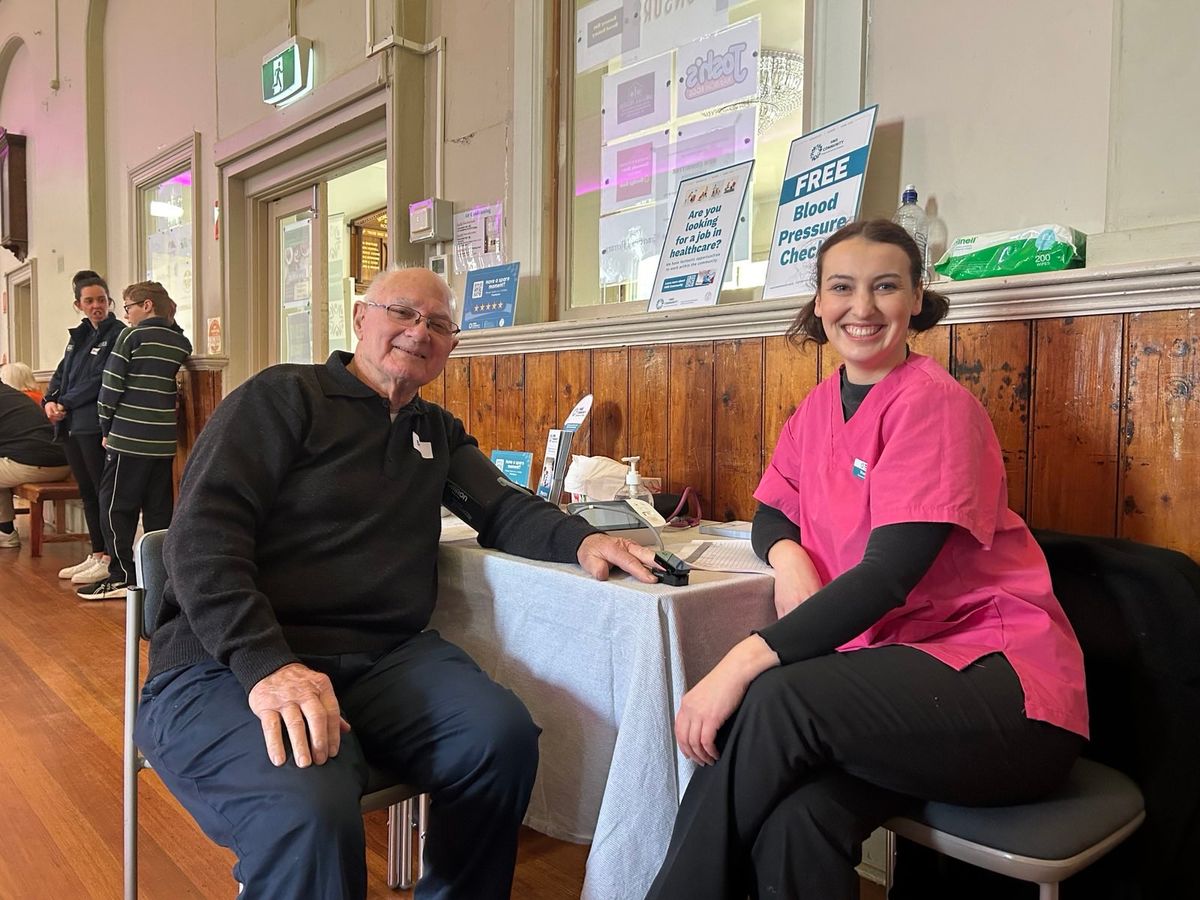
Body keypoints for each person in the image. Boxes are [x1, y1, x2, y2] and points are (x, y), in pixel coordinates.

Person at [135, 266, 660, 900]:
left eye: (438, 324)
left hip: (380, 659)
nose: (419, 332)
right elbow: (201, 539)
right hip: (228, 664)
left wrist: (583, 538)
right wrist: (266, 663)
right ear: (361, 318)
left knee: (500, 738)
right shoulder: (280, 398)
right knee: (311, 806)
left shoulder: (433, 432)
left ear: (452, 346)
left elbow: (500, 508)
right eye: (403, 313)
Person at [645, 220, 1089, 900]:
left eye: (886, 287)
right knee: (798, 821)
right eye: (842, 288)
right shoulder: (819, 407)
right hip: (894, 687)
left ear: (916, 300)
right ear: (818, 304)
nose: (863, 307)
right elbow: (773, 511)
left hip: (1006, 697)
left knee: (775, 697)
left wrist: (740, 661)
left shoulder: (933, 405)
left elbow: (889, 575)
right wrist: (789, 556)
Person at [75, 282, 192, 600]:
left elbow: (111, 385)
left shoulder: (131, 336)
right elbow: (178, 339)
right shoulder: (180, 342)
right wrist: (172, 317)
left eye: (128, 307)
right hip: (163, 440)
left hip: (128, 437)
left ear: (147, 305)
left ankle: (121, 577)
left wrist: (105, 427)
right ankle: (157, 578)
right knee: (158, 510)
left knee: (114, 506)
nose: (125, 315)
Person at [43, 270, 125, 585]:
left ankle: (109, 557)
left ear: (109, 301)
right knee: (87, 492)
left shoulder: (117, 333)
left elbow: (101, 378)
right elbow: (61, 373)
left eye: (101, 300)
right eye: (89, 301)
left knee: (103, 492)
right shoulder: (78, 335)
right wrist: (49, 401)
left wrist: (65, 403)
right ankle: (96, 552)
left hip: (94, 424)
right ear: (78, 304)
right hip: (70, 424)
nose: (96, 306)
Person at [0, 382, 71, 549]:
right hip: (63, 463)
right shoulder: (10, 394)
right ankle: (4, 531)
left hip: (35, 464)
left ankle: (6, 532)